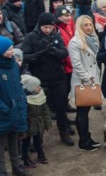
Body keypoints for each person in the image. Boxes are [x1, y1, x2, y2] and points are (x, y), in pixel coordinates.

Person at [20, 12, 74, 146]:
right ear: (40, 26)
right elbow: (25, 56)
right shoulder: (31, 37)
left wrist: (53, 51)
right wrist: (39, 54)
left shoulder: (56, 35)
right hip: (40, 78)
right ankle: (36, 137)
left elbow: (64, 53)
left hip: (57, 77)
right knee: (37, 109)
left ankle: (64, 132)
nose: (48, 30)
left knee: (60, 107)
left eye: (50, 27)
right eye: (45, 27)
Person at [0, 36, 31, 176]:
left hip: (16, 109)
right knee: (1, 141)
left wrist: (21, 101)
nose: (13, 52)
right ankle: (2, 171)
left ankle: (16, 166)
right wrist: (5, 108)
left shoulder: (13, 65)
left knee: (14, 137)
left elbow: (17, 84)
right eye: (9, 49)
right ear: (0, 51)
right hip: (3, 112)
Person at [68, 15, 102, 151]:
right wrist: (87, 77)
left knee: (86, 111)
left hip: (92, 77)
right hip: (83, 80)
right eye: (85, 25)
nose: (88, 27)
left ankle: (87, 137)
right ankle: (83, 140)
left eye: (90, 25)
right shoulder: (75, 42)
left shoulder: (93, 39)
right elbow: (76, 63)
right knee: (82, 111)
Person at [19, 74, 51, 167]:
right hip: (28, 126)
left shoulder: (41, 96)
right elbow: (22, 115)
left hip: (38, 124)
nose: (39, 88)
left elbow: (46, 111)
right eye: (36, 86)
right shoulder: (25, 99)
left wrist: (47, 123)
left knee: (38, 142)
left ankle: (41, 155)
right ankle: (25, 159)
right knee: (25, 143)